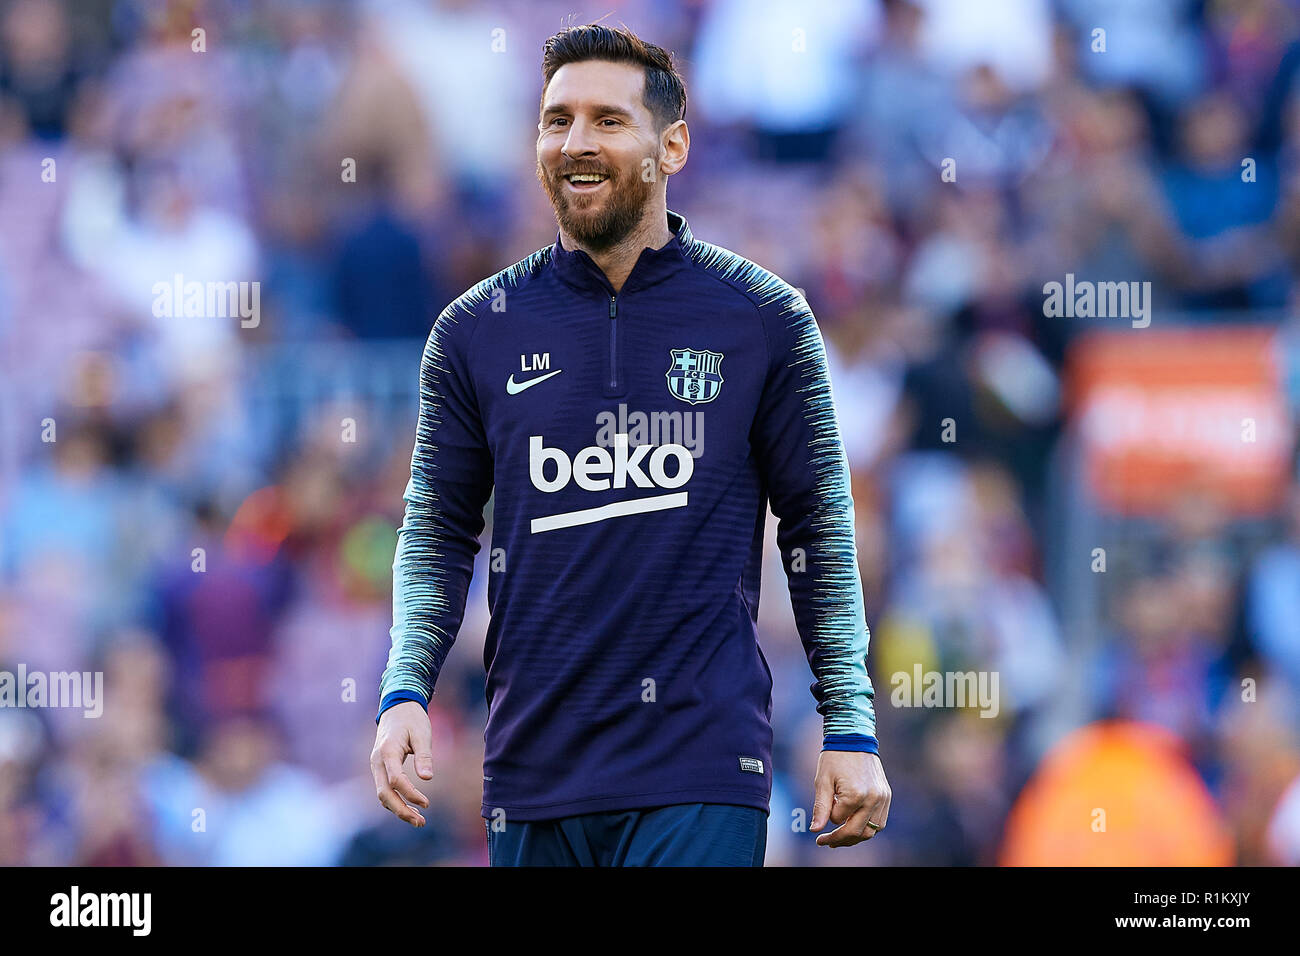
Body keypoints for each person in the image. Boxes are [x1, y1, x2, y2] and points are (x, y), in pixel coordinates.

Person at [369, 23, 890, 866]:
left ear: (671, 145)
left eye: (607, 120)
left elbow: (818, 535)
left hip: (702, 765)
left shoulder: (763, 318)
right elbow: (434, 533)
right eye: (556, 120)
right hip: (533, 771)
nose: (575, 142)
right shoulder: (472, 332)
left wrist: (851, 724)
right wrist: (404, 691)